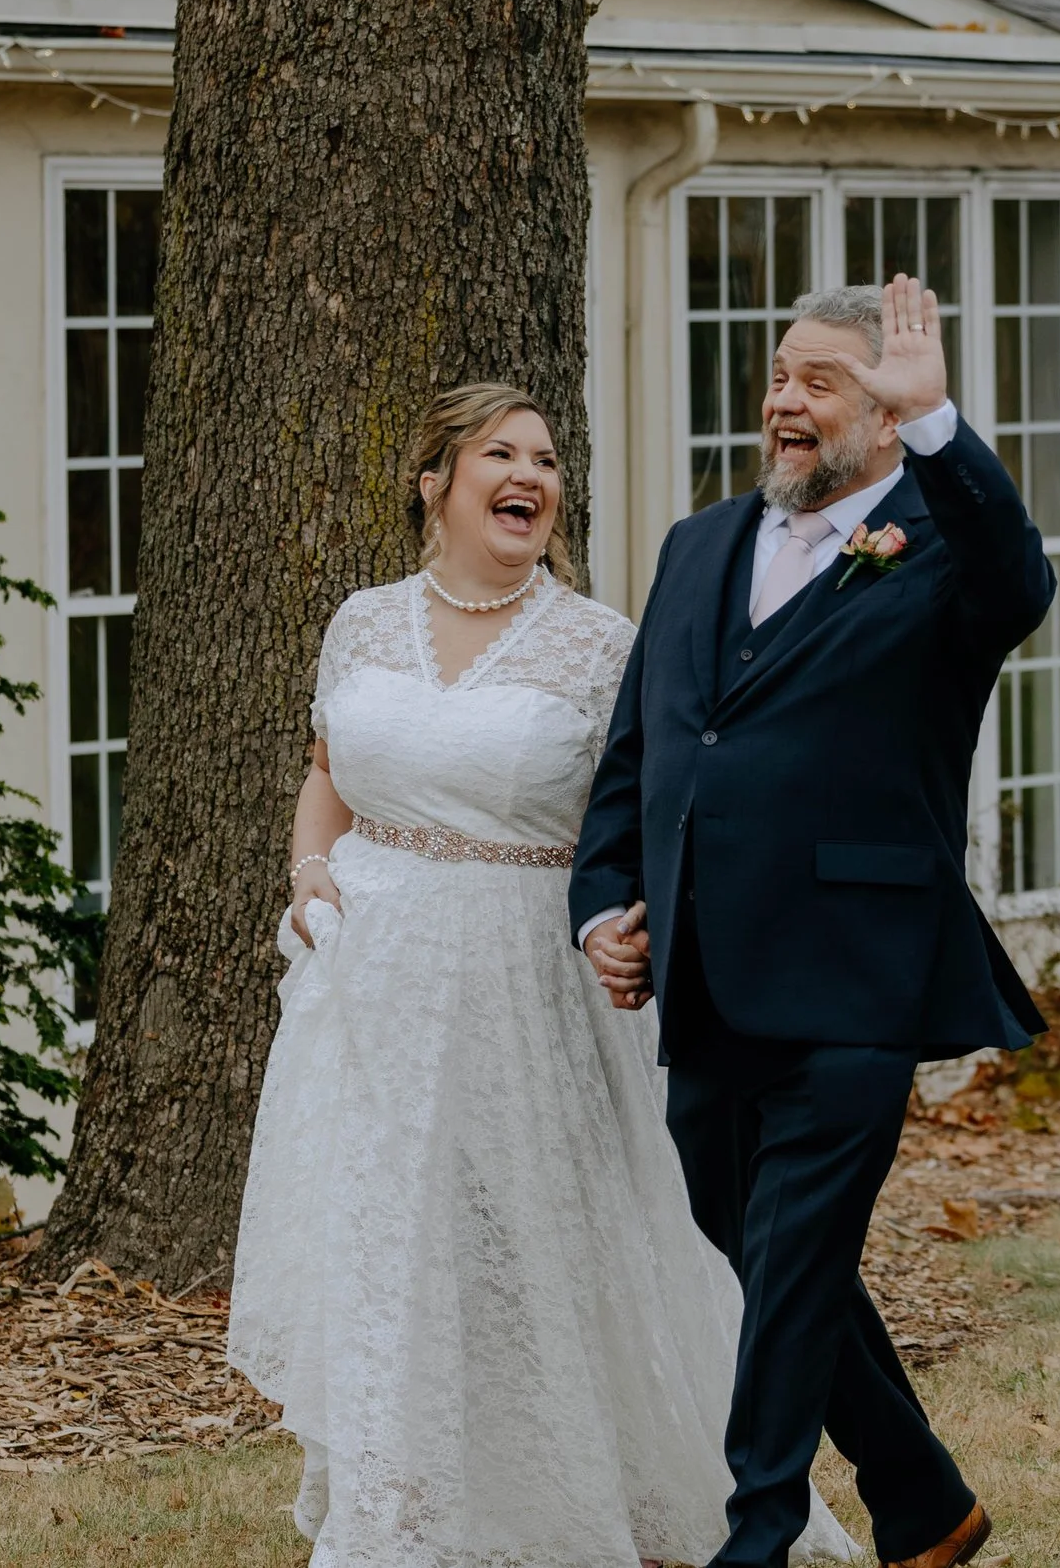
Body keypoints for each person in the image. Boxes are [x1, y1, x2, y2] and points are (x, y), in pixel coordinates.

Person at [228, 383, 860, 1568]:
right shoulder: (361, 621)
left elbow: (647, 808)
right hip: (366, 988)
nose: (532, 475)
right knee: (381, 1241)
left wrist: (639, 925)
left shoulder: (597, 641)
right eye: (501, 454)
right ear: (436, 482)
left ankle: (578, 1487)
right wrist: (310, 872)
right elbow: (327, 772)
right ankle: (394, 1510)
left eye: (548, 459)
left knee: (549, 1243)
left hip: (526, 980)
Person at [570, 276, 1056, 1568]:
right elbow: (643, 751)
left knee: (792, 1264)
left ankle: (760, 1531)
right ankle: (923, 1495)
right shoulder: (699, 544)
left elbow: (1021, 582)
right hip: (704, 974)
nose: (784, 401)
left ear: (885, 416)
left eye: (821, 383)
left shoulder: (943, 548)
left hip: (855, 972)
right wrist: (602, 905)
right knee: (768, 1252)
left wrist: (943, 421)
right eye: (779, 376)